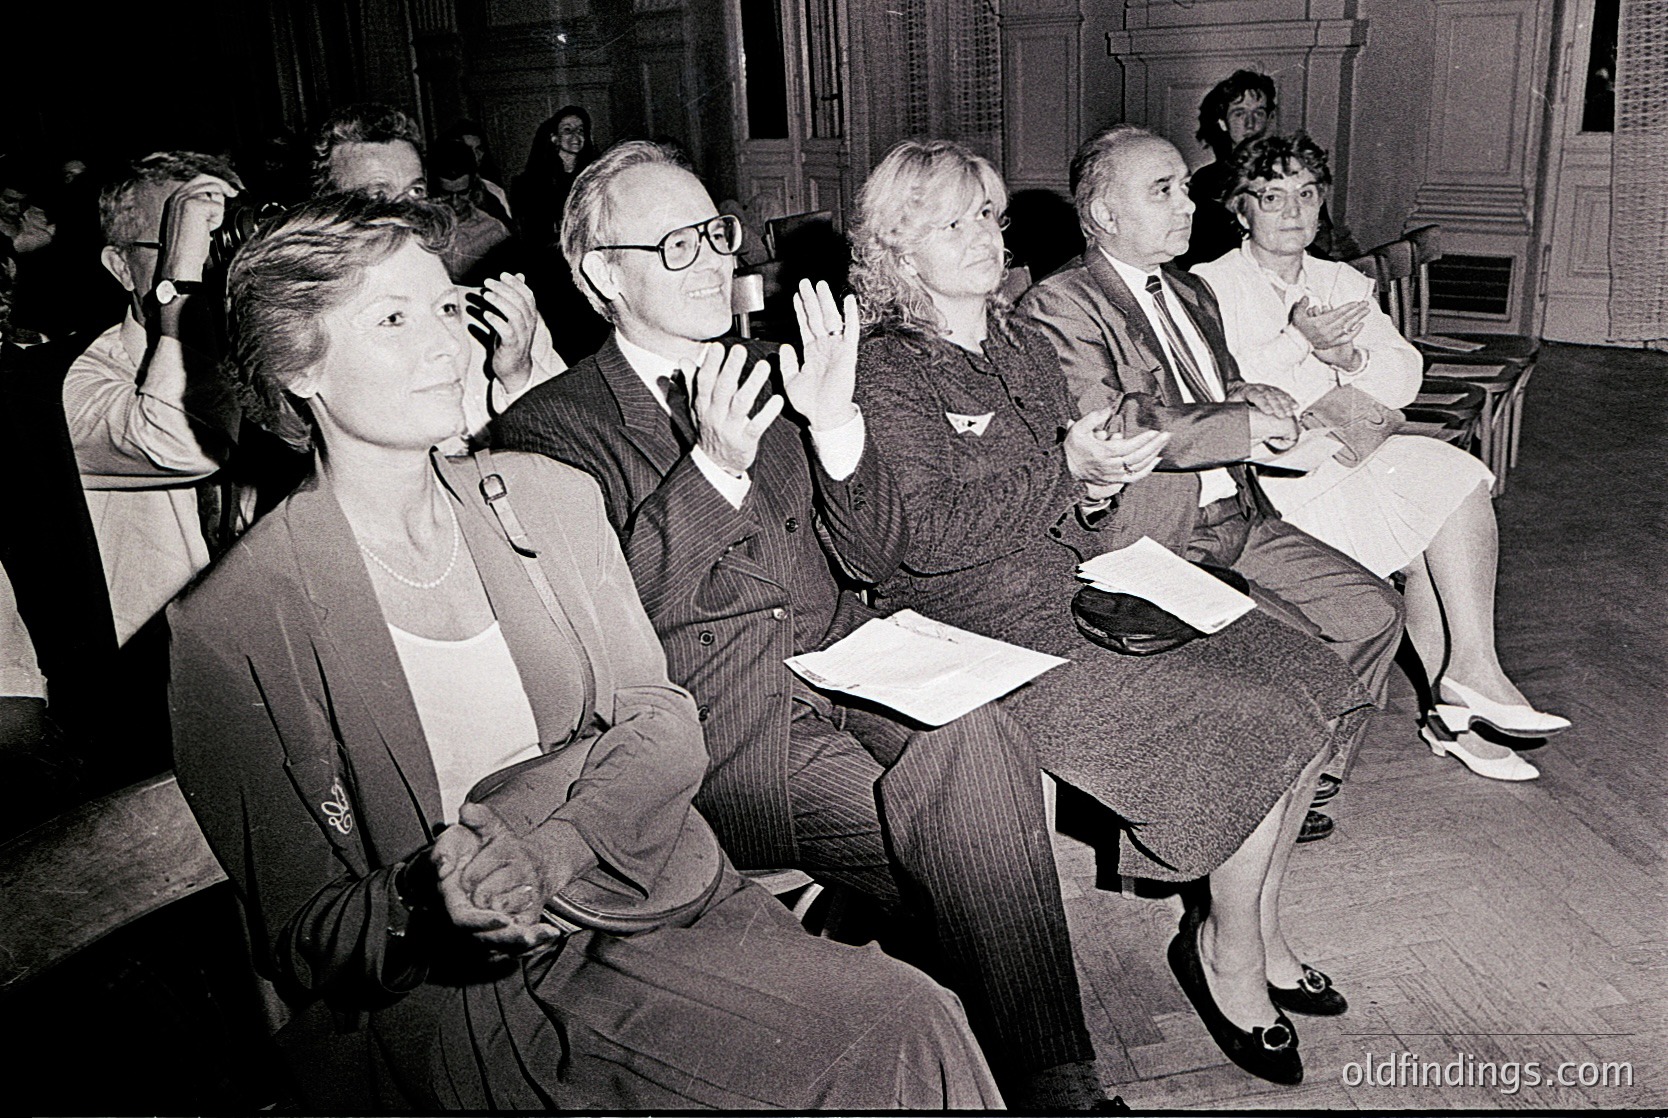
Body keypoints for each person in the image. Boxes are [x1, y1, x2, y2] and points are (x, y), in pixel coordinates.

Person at [170, 193, 1002, 1112]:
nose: (449, 347)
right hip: (458, 1000)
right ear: (299, 366)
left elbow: (662, 722)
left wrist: (552, 849)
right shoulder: (233, 627)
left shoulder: (545, 499)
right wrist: (432, 899)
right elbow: (303, 931)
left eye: (447, 307)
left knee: (907, 1016)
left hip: (646, 898)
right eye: (394, 319)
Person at [492, 140, 1117, 1111]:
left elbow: (869, 558)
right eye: (674, 245)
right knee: (976, 850)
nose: (710, 260)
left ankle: (1044, 1078)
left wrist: (834, 429)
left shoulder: (781, 365)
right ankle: (1032, 1079)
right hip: (725, 732)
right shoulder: (549, 428)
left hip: (846, 664)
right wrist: (712, 471)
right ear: (600, 274)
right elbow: (600, 645)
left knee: (982, 741)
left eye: (715, 233)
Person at [850, 138, 1377, 1086]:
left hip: (1086, 579)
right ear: (896, 247)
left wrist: (1093, 486)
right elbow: (919, 539)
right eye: (953, 221)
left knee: (1317, 677)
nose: (984, 234)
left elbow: (1074, 494)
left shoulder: (1010, 338)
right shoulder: (889, 368)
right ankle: (1229, 960)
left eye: (987, 215)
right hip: (983, 622)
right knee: (1254, 719)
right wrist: (1069, 473)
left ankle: (1244, 922)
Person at [1192, 133, 1567, 779]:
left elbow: (1403, 375)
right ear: (1239, 208)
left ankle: (1473, 673)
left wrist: (1353, 359)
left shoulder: (1339, 278)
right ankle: (1459, 709)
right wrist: (1298, 343)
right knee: (1426, 536)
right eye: (1272, 196)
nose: (1292, 210)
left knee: (1454, 479)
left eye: (1306, 194)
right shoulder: (1211, 285)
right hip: (1277, 477)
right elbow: (1222, 389)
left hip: (1353, 451)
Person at [62, 151, 243, 646]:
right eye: (182, 242)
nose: (212, 263)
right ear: (121, 267)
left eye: (219, 240)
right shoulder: (73, 380)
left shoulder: (274, 361)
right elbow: (181, 440)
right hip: (149, 676)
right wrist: (180, 287)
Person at [312, 103, 565, 445]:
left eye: (415, 191)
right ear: (325, 212)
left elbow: (574, 445)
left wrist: (518, 378)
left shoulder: (490, 313)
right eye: (377, 196)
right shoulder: (316, 337)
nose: (408, 212)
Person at [1176, 70, 1357, 270]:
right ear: (1222, 122)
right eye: (1239, 113)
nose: (1250, 123)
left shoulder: (1294, 170)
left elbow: (1321, 237)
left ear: (1269, 118)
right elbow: (1196, 253)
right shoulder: (1205, 181)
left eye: (1258, 113)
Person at [514, 106, 610, 363]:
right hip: (551, 276)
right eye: (567, 130)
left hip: (587, 268)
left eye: (581, 130)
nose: (575, 136)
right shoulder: (531, 183)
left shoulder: (596, 178)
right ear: (554, 137)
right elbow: (531, 237)